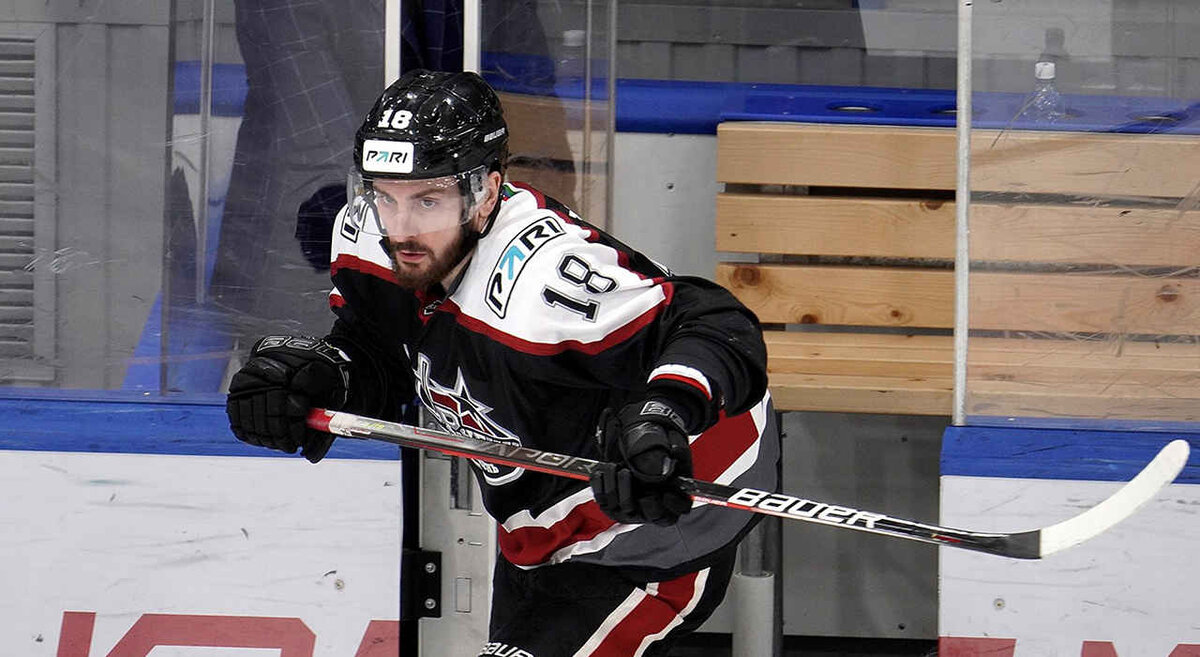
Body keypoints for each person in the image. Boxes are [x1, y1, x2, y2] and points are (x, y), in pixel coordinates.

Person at [225, 69, 780, 656]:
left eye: (429, 200)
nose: (402, 228)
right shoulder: (370, 238)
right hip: (542, 520)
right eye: (386, 195)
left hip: (658, 516)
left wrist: (661, 417)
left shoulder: (544, 277)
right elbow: (385, 350)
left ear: (487, 193)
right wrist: (329, 374)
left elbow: (713, 323)